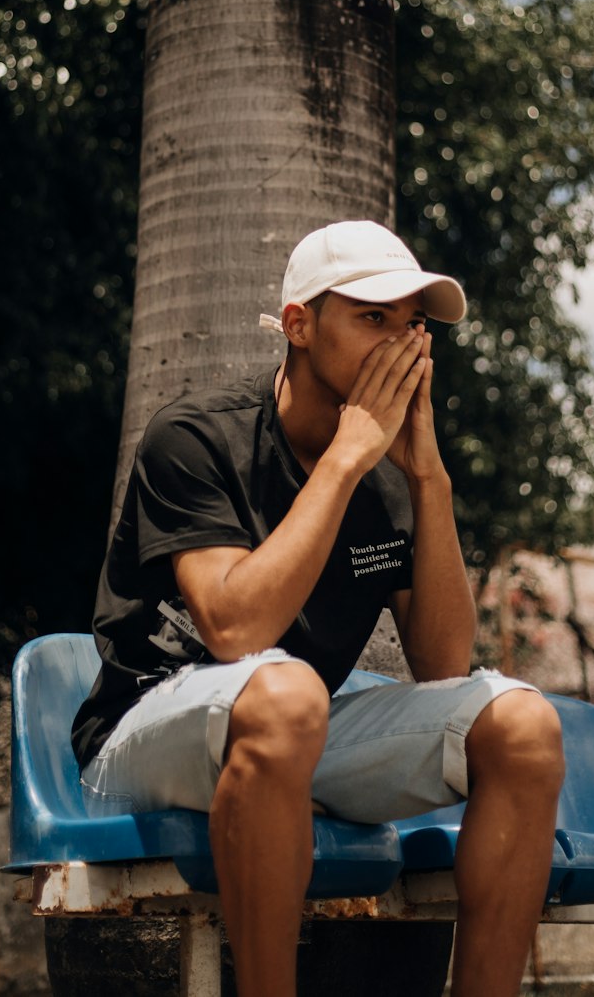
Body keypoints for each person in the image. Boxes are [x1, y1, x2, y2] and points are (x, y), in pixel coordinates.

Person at [72, 220, 565, 997]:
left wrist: (428, 479)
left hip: (286, 733)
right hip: (141, 733)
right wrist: (344, 461)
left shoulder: (392, 480)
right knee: (285, 690)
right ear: (299, 325)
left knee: (523, 725)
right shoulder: (196, 437)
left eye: (413, 326)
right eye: (373, 318)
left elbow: (442, 666)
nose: (398, 344)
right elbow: (235, 631)